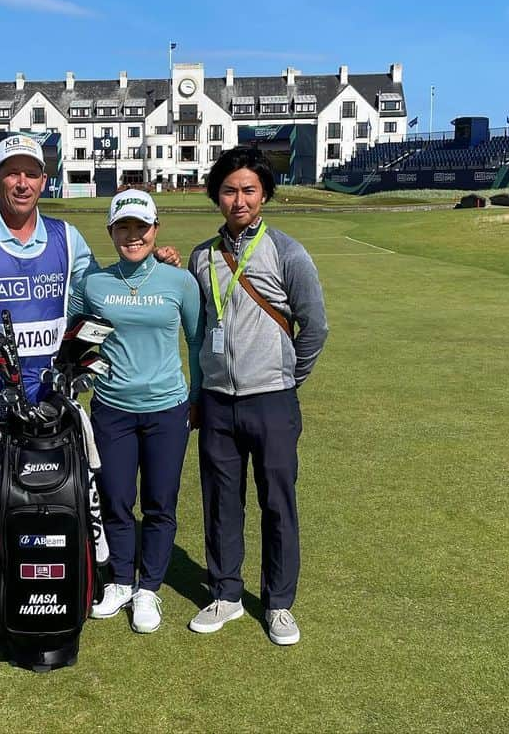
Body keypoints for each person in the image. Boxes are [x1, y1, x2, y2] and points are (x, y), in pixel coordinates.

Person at [0, 133, 180, 647]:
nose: (21, 182)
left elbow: (100, 290)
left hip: (52, 391)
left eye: (31, 172)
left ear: (44, 180)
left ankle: (67, 579)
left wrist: (159, 263)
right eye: (11, 172)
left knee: (57, 490)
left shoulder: (67, 238)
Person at [187, 146, 328, 646]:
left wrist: (289, 379)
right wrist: (199, 390)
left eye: (248, 189)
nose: (239, 199)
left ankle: (278, 603)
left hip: (272, 399)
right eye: (229, 190)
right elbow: (199, 327)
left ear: (264, 194)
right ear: (216, 197)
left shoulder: (287, 251)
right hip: (218, 401)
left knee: (277, 502)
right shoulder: (202, 256)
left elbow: (314, 327)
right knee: (221, 500)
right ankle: (225, 591)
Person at [70, 189, 200, 634]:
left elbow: (197, 343)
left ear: (155, 230)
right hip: (112, 410)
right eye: (123, 227)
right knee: (115, 499)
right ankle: (122, 581)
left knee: (160, 503)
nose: (132, 236)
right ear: (110, 231)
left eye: (140, 228)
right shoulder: (94, 283)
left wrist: (197, 396)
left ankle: (150, 589)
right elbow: (75, 338)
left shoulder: (179, 281)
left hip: (167, 408)